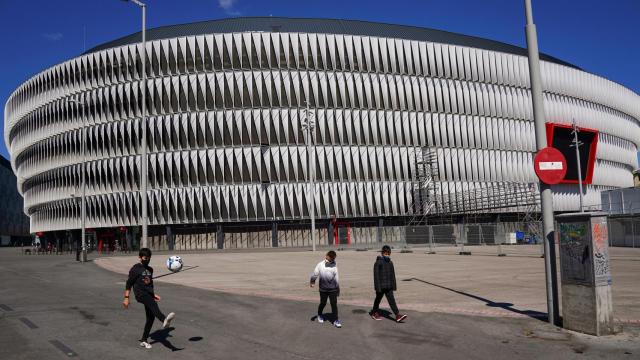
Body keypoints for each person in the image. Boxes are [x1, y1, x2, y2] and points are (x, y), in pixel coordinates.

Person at [123, 248, 176, 349]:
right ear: (140, 258)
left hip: (148, 294)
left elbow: (149, 284)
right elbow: (129, 283)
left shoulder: (150, 270)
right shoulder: (135, 269)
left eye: (149, 258)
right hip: (140, 294)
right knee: (153, 305)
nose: (147, 260)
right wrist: (126, 297)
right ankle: (164, 319)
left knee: (150, 318)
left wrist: (153, 294)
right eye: (145, 258)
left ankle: (144, 340)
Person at [370, 245, 407, 322]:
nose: (387, 255)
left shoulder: (390, 263)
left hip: (389, 286)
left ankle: (397, 315)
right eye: (385, 253)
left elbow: (392, 275)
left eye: (388, 254)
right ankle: (374, 313)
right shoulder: (378, 262)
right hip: (381, 287)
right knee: (378, 300)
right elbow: (376, 276)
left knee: (392, 301)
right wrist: (378, 288)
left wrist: (394, 286)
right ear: (382, 253)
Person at [310, 250, 341, 328]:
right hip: (323, 289)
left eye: (333, 259)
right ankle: (320, 315)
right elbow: (315, 273)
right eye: (331, 258)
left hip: (333, 289)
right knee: (323, 303)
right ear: (327, 256)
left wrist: (338, 287)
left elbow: (336, 276)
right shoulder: (320, 264)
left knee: (334, 304)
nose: (333, 260)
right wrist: (312, 281)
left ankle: (335, 320)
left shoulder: (335, 264)